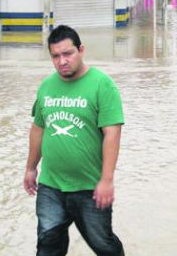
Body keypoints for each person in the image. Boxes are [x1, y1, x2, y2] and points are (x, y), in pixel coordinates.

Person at [25, 25, 125, 255]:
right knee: (48, 245)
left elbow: (112, 134)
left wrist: (107, 180)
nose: (62, 61)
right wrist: (30, 168)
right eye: (55, 56)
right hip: (51, 186)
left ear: (81, 50)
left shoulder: (102, 85)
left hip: (90, 187)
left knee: (103, 245)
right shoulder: (46, 86)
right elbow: (38, 129)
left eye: (67, 53)